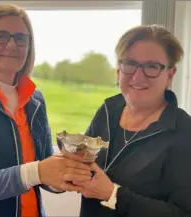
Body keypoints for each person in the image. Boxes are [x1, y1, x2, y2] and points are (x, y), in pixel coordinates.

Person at [0, 4, 92, 217]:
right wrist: (37, 171)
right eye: (1, 36)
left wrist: (63, 178)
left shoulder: (35, 100)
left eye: (21, 38)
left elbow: (42, 172)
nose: (12, 45)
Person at [75, 25, 191, 217]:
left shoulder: (183, 131)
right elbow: (84, 163)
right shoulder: (108, 110)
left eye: (152, 66)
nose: (138, 76)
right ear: (119, 69)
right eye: (130, 63)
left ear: (170, 75)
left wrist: (113, 195)